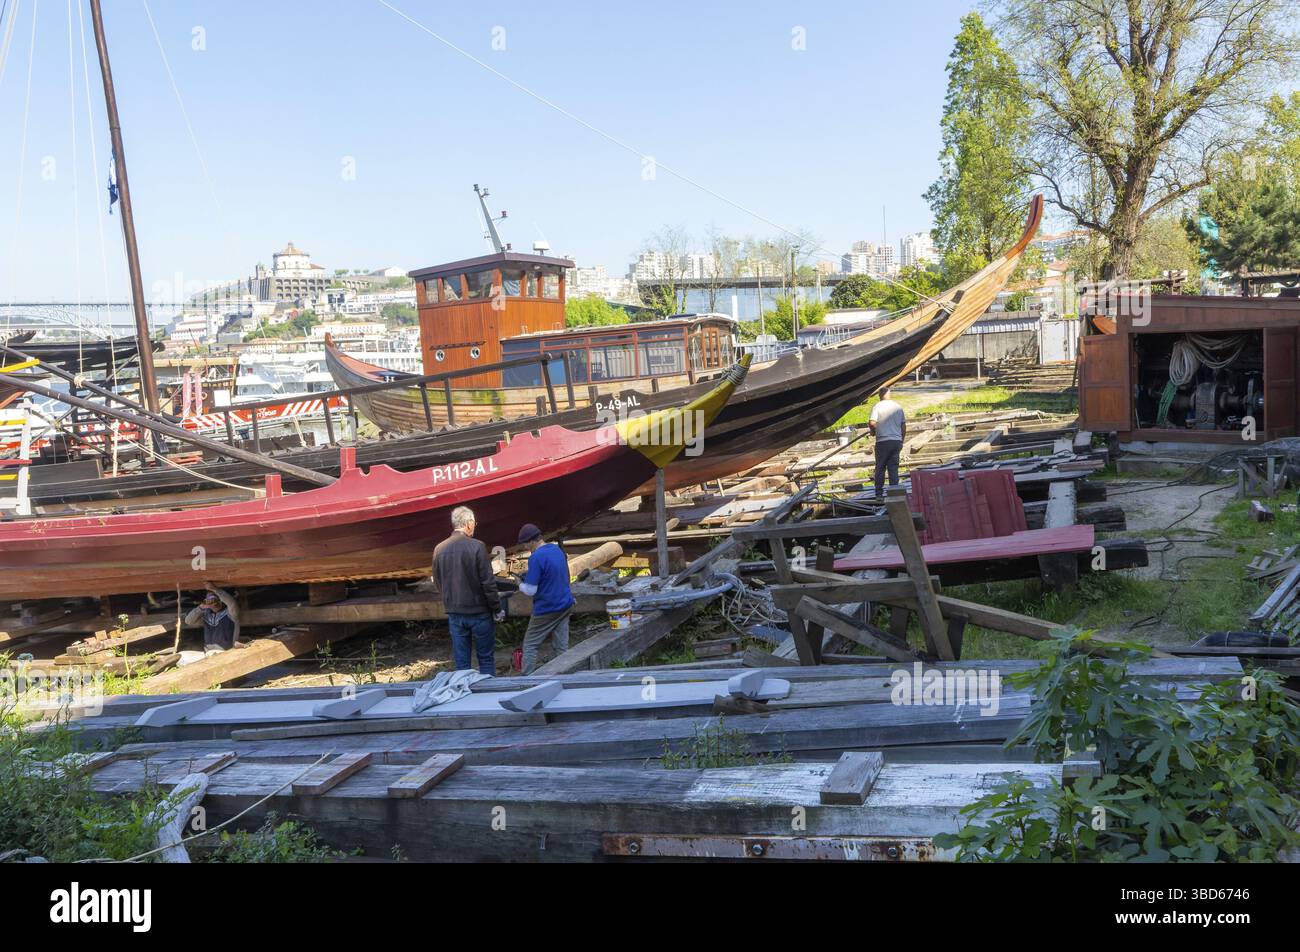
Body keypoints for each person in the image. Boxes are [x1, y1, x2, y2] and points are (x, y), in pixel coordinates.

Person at [432, 505, 503, 676]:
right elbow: (488, 583)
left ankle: (464, 698)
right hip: (479, 613)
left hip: (455, 614)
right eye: (475, 523)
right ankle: (488, 696)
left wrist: (449, 601)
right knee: (485, 659)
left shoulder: (439, 549)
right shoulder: (477, 547)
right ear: (469, 523)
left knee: (462, 663)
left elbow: (438, 582)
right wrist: (497, 609)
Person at [516, 523, 575, 674]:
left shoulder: (536, 557)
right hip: (565, 604)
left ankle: (527, 680)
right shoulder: (557, 550)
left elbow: (530, 590)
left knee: (530, 645)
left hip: (547, 609)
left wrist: (519, 584)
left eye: (525, 544)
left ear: (532, 541)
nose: (524, 547)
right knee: (561, 646)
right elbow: (564, 577)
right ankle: (564, 675)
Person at [869, 387, 906, 497]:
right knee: (893, 468)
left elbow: (872, 423)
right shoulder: (898, 407)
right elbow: (903, 427)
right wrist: (901, 440)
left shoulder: (877, 406)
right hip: (896, 442)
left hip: (883, 442)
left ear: (879, 395)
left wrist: (874, 431)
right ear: (889, 395)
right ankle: (894, 494)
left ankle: (879, 494)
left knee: (880, 468)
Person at [185, 584, 240, 655]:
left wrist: (215, 590)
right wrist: (201, 607)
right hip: (208, 653)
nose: (213, 603)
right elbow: (188, 621)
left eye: (216, 599)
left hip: (226, 653)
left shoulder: (230, 613)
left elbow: (232, 603)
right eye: (210, 600)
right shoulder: (206, 614)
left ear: (221, 600)